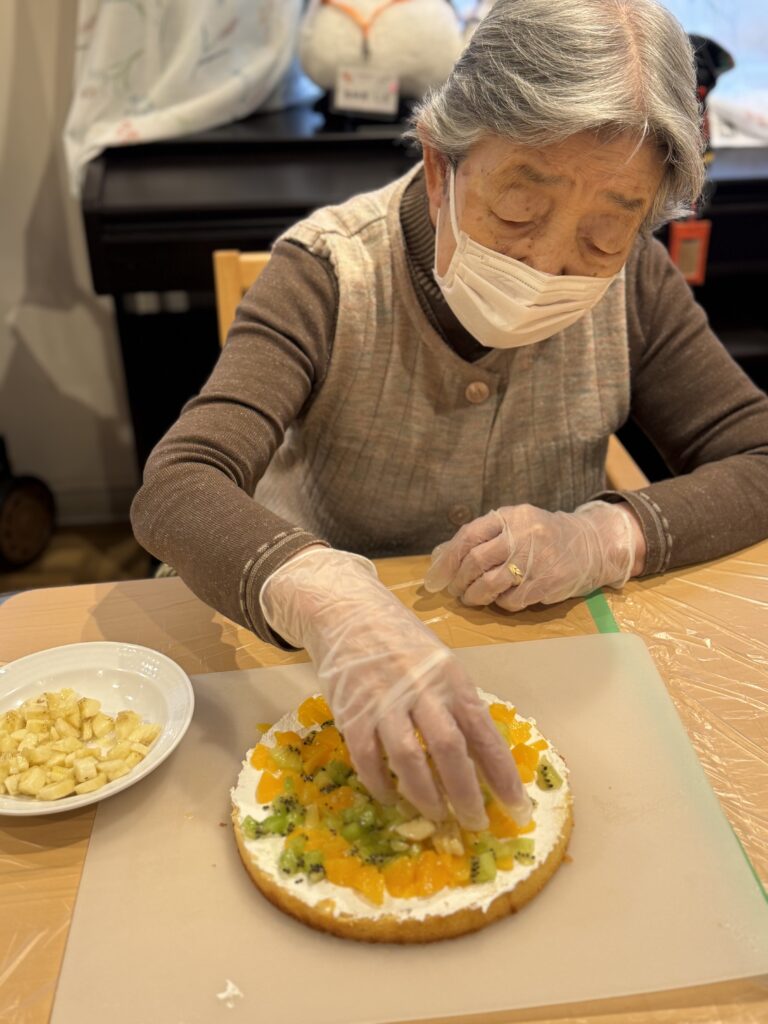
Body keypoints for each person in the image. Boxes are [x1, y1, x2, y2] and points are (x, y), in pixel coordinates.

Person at [131, 0, 768, 832]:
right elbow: (178, 484)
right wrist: (331, 600)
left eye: (605, 234)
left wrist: (606, 536)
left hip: (543, 667)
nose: (550, 263)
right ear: (440, 165)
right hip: (319, 677)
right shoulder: (330, 273)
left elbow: (757, 456)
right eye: (518, 209)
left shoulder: (637, 283)